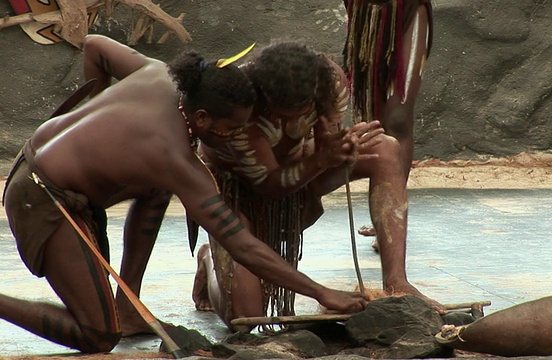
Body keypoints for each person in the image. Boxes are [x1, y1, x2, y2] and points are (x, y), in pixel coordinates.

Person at [0, 34, 367, 354]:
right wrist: (321, 293)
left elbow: (96, 46)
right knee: (99, 334)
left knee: (155, 187)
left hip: (35, 158)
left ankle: (128, 306)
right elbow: (242, 245)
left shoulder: (161, 74)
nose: (237, 137)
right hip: (41, 197)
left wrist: (95, 112)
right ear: (204, 119)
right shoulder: (175, 159)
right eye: (231, 129)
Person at [190, 41, 445, 330]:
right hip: (240, 187)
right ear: (264, 97)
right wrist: (323, 159)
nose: (295, 120)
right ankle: (210, 257)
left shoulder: (329, 82)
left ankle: (397, 281)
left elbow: (326, 142)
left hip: (300, 166)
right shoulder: (241, 104)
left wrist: (341, 146)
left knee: (383, 148)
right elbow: (269, 185)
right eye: (283, 114)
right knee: (245, 319)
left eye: (302, 111)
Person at [343, 0, 434, 242]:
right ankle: (383, 216)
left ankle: (392, 220)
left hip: (407, 8)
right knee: (376, 118)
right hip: (365, 11)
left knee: (398, 119)